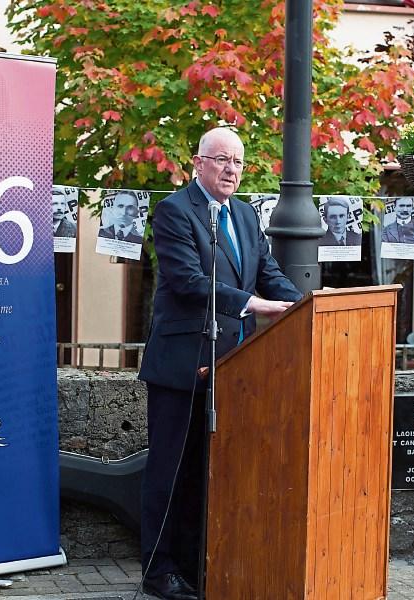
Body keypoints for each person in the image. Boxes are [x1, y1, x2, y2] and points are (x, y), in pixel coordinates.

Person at [137, 128, 302, 600]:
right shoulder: (174, 212)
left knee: (208, 473)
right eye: (222, 160)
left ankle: (195, 564)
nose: (232, 170)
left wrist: (303, 303)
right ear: (197, 163)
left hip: (231, 366)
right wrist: (254, 304)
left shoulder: (247, 215)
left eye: (238, 163)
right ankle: (158, 570)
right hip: (182, 364)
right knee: (171, 472)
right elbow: (188, 281)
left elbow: (267, 272)